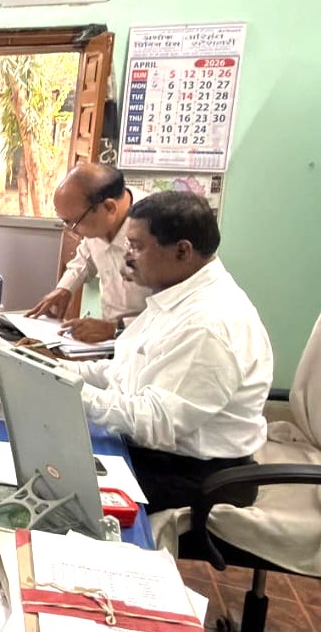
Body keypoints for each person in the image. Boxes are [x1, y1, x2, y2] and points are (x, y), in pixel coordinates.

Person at [62, 191, 272, 513]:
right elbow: (122, 371)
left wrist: (69, 390)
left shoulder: (208, 323)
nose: (127, 256)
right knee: (54, 453)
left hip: (197, 475)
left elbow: (156, 422)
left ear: (182, 251)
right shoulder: (176, 296)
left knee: (62, 491)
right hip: (163, 455)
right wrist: (52, 370)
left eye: (137, 246)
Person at [26, 163, 150, 343]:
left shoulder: (155, 227)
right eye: (65, 222)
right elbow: (86, 255)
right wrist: (65, 288)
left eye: (74, 223)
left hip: (149, 344)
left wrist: (115, 329)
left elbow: (173, 306)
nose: (72, 230)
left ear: (109, 208)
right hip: (111, 342)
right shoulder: (96, 217)